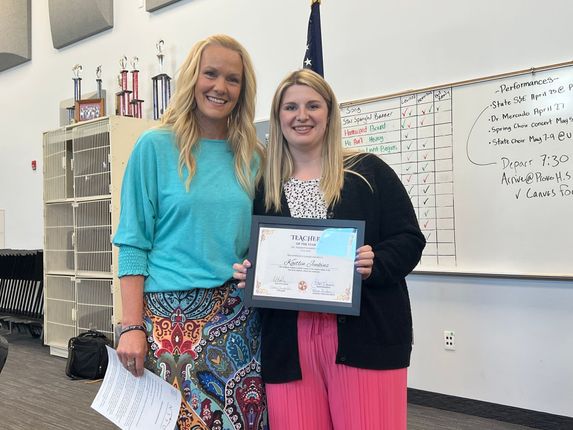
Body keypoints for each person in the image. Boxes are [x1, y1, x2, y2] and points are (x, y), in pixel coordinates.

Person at [233, 69, 425, 429]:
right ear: (278, 118)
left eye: (312, 105)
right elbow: (259, 253)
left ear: (330, 113)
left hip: (363, 336)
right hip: (288, 343)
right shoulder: (265, 187)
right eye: (290, 107)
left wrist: (377, 261)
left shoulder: (367, 172)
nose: (301, 115)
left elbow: (410, 239)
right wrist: (251, 273)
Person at [113, 34, 268, 430]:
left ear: (242, 90)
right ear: (191, 79)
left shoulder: (253, 155)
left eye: (232, 79)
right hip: (169, 325)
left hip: (236, 320)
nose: (220, 87)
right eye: (210, 74)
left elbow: (262, 239)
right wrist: (131, 327)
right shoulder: (154, 147)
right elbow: (132, 243)